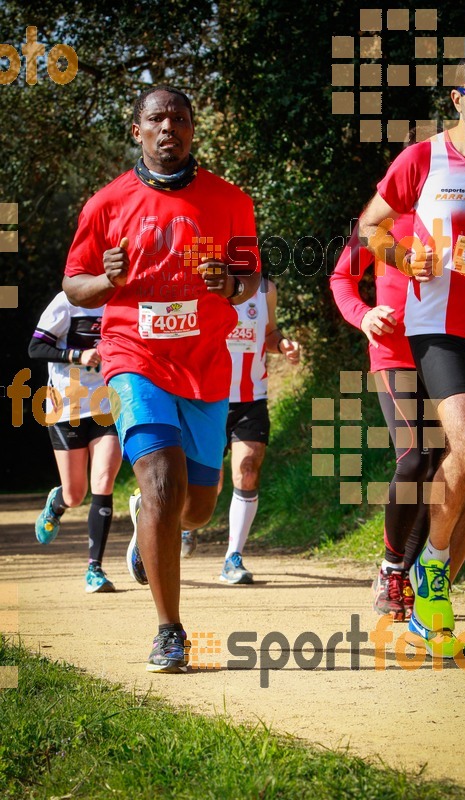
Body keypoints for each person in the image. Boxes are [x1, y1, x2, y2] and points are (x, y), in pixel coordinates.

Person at [62, 85, 261, 673]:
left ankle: (151, 529)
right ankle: (169, 631)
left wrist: (229, 284)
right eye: (156, 118)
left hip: (204, 364)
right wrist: (107, 281)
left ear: (192, 130)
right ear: (137, 131)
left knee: (196, 509)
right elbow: (75, 285)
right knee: (163, 485)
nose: (168, 126)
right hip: (133, 356)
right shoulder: (106, 203)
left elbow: (249, 279)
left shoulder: (230, 201)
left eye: (179, 117)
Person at [358, 49, 465, 657]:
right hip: (435, 329)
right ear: (457, 98)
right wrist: (402, 257)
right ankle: (425, 574)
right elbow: (368, 228)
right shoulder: (422, 158)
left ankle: (431, 611)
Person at [331, 221, 443, 622]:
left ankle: (410, 574)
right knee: (414, 457)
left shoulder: (462, 205)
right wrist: (363, 316)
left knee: (440, 468)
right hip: (395, 353)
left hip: (450, 353)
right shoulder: (381, 219)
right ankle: (391, 569)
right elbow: (342, 276)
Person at [180, 277, 301, 584]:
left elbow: (269, 333)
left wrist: (283, 344)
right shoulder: (202, 283)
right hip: (206, 399)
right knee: (207, 483)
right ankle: (182, 525)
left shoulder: (265, 290)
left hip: (251, 398)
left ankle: (233, 557)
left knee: (247, 470)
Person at [29, 291, 122, 593]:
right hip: (66, 407)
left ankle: (94, 568)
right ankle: (57, 504)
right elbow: (36, 347)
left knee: (104, 481)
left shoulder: (121, 300)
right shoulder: (66, 302)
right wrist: (76, 355)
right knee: (75, 495)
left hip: (107, 404)